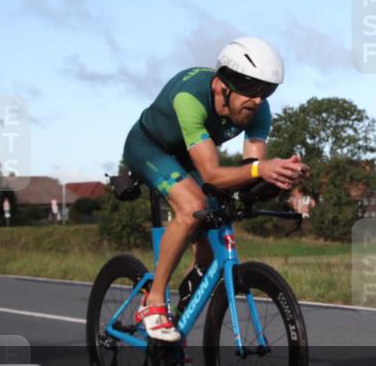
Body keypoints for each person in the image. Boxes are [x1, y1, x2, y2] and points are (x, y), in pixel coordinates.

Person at [122, 37, 308, 342]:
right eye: (252, 89)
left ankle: (174, 333)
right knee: (192, 207)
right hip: (150, 148)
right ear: (224, 85)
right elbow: (211, 174)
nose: (259, 100)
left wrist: (280, 177)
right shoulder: (190, 96)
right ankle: (154, 301)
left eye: (267, 91)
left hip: (193, 154)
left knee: (211, 243)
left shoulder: (258, 109)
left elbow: (251, 172)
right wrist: (261, 169)